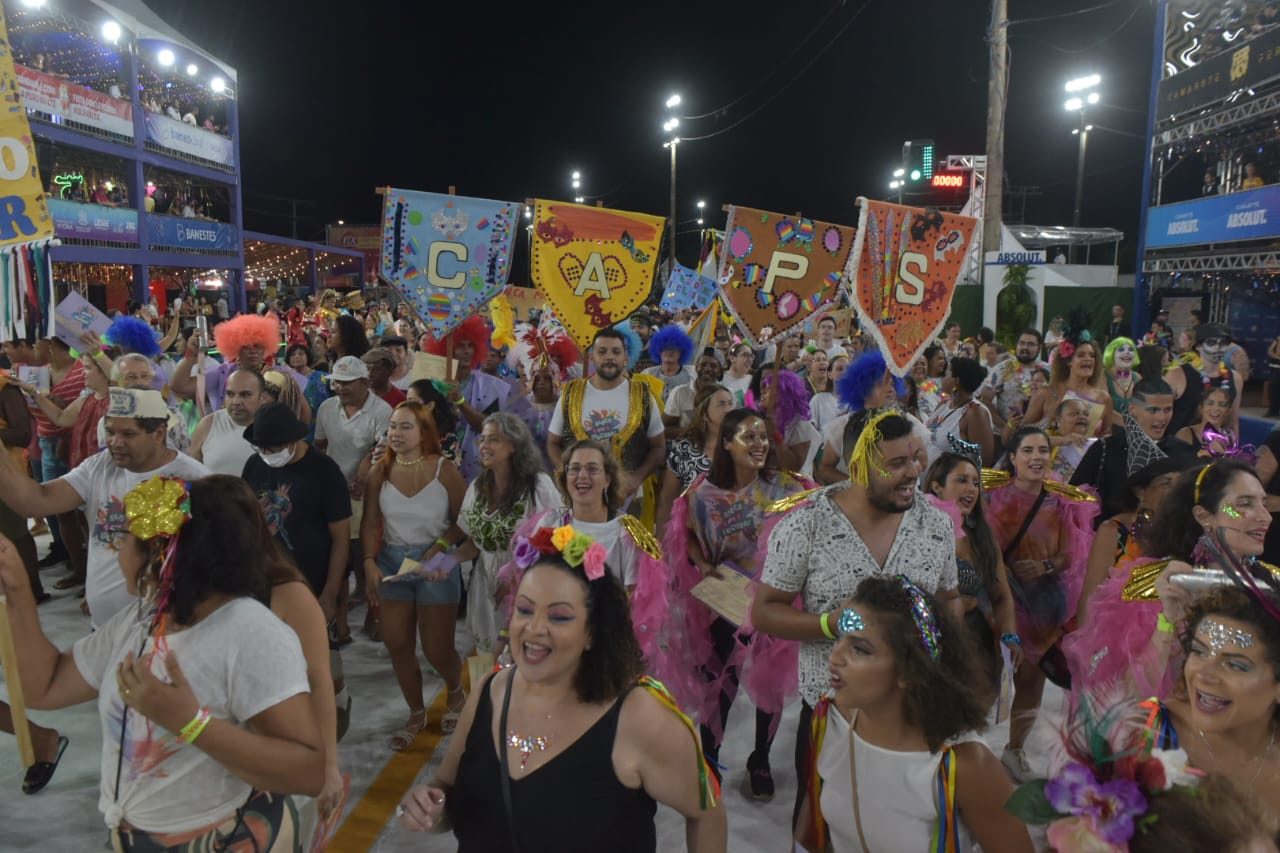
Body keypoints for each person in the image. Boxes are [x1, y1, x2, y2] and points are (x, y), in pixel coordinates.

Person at [0, 474, 324, 848]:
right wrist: (19, 591)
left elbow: (307, 771)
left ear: (160, 554)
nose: (114, 551)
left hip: (214, 837)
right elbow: (46, 686)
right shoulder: (141, 622)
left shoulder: (250, 634)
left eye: (123, 541)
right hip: (134, 834)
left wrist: (190, 724)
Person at [395, 530, 728, 851]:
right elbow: (448, 793)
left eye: (559, 617)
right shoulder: (490, 691)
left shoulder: (639, 717)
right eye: (525, 610)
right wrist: (429, 808)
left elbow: (706, 813)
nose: (535, 628)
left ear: (592, 633)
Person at [753, 410, 961, 823]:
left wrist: (939, 646)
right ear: (859, 465)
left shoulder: (934, 523)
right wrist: (832, 624)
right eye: (896, 463)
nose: (913, 473)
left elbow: (949, 596)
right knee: (822, 826)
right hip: (832, 718)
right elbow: (764, 611)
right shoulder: (807, 524)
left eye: (915, 458)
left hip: (911, 716)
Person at [797, 577, 1032, 853]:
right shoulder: (830, 719)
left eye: (859, 649)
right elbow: (811, 826)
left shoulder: (964, 766)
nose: (835, 657)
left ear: (910, 671)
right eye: (841, 638)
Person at [661, 408, 813, 799]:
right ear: (726, 444)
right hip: (724, 600)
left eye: (764, 436)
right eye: (749, 436)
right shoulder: (701, 493)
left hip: (771, 600)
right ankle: (708, 759)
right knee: (718, 681)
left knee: (769, 683)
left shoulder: (786, 488)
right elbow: (685, 535)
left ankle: (760, 757)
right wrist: (704, 563)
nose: (760, 444)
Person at [0, 388, 209, 624]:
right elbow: (35, 501)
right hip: (103, 627)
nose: (115, 443)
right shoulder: (100, 466)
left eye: (128, 434)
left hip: (161, 633)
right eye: (110, 432)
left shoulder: (195, 480)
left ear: (159, 433)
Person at [984, 426, 1099, 781]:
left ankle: (1014, 749)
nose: (1037, 457)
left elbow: (1071, 555)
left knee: (1031, 683)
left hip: (1043, 607)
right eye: (1029, 450)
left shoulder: (1061, 502)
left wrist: (1045, 565)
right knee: (987, 678)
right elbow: (984, 548)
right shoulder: (993, 498)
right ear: (1013, 458)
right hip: (999, 602)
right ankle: (963, 747)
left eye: (1043, 450)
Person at [361, 400, 467, 745]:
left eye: (406, 427)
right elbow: (370, 523)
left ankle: (455, 691)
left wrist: (437, 551)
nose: (396, 433)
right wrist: (368, 562)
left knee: (437, 649)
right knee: (397, 643)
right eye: (392, 426)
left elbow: (461, 524)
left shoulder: (444, 470)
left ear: (424, 433)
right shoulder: (379, 472)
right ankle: (416, 713)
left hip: (435, 565)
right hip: (393, 564)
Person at [1062, 453, 1192, 696]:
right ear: (1140, 491)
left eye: (1181, 484)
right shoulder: (1114, 531)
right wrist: (1086, 655)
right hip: (1114, 651)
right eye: (1166, 483)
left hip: (1166, 648)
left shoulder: (1187, 537)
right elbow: (1091, 597)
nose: (1175, 491)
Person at [453, 413, 560, 653]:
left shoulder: (538, 486)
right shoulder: (478, 488)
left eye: (493, 440)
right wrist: (444, 562)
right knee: (487, 654)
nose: (484, 446)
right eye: (482, 440)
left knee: (523, 654)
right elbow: (476, 543)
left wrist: (515, 577)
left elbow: (554, 541)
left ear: (513, 446)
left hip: (529, 586)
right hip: (484, 582)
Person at [923, 452, 1021, 697]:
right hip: (928, 644)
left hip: (974, 645)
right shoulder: (918, 531)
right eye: (962, 480)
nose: (971, 489)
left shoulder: (982, 537)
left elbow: (1001, 595)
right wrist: (962, 602)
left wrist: (1010, 636)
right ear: (937, 486)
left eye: (976, 483)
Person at [547, 327, 665, 519]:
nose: (609, 357)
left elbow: (658, 446)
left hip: (629, 503)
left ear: (625, 357)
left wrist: (636, 479)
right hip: (579, 501)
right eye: (602, 352)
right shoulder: (571, 392)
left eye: (616, 352)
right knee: (580, 549)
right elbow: (553, 442)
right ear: (592, 357)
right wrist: (569, 476)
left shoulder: (642, 394)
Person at [315, 354, 393, 640]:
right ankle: (344, 614)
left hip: (367, 490)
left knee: (367, 552)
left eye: (348, 383)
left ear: (364, 383)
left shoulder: (382, 411)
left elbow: (383, 451)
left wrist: (365, 472)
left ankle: (375, 612)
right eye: (337, 382)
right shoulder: (326, 408)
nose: (341, 388)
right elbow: (320, 446)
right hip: (334, 489)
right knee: (339, 553)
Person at [1071, 379, 1197, 520]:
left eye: (1167, 410)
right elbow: (1072, 497)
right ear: (1132, 409)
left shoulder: (1184, 453)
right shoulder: (1104, 449)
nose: (1161, 417)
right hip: (1110, 538)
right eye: (1153, 410)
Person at [656, 384, 732, 539]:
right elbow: (667, 499)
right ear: (704, 413)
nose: (728, 409)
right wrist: (661, 547)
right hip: (692, 538)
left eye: (730, 403)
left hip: (733, 535)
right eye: (721, 404)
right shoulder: (685, 449)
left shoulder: (740, 448)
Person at [1023, 333, 1113, 439]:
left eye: (1092, 355)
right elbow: (1023, 431)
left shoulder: (1103, 398)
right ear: (1068, 361)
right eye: (1081, 355)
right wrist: (1047, 421)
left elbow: (1107, 431)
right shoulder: (1046, 392)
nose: (1088, 359)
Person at [1166, 323, 1244, 435]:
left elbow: (1232, 423)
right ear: (1198, 346)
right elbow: (1160, 416)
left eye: (1223, 343)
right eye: (1211, 343)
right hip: (1179, 447)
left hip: (1215, 447)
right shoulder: (1177, 375)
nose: (1218, 348)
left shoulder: (1235, 378)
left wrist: (1233, 449)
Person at [188, 369, 266, 476]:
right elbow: (192, 473)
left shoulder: (275, 427)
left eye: (245, 394)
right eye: (230, 394)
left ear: (262, 398)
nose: (236, 401)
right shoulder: (207, 425)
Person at [924, 356, 993, 468]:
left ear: (956, 381)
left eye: (947, 374)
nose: (943, 378)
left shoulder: (975, 412)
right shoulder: (943, 405)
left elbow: (984, 460)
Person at [979, 329, 1047, 436]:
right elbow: (984, 399)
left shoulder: (1049, 370)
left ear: (1039, 347)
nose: (1025, 347)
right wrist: (1004, 427)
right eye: (1022, 343)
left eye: (1031, 344)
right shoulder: (1003, 368)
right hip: (1008, 435)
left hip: (1040, 435)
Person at [759, 369, 820, 478]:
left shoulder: (800, 425)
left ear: (784, 394)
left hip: (793, 488)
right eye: (764, 388)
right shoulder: (761, 419)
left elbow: (792, 468)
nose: (762, 392)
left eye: (768, 389)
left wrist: (775, 434)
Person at [664, 348, 724, 435]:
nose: (707, 369)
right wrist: (692, 432)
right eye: (703, 364)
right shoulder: (679, 393)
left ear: (720, 371)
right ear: (696, 367)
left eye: (713, 366)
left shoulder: (728, 396)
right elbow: (664, 429)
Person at [1175, 380, 1235, 452]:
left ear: (1228, 411)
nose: (1216, 408)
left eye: (1222, 405)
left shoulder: (1230, 436)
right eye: (1210, 403)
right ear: (1201, 408)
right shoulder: (1185, 434)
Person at [642, 325, 695, 402]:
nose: (669, 351)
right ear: (658, 351)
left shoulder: (691, 375)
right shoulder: (647, 374)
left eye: (674, 348)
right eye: (665, 348)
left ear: (682, 352)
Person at [1103, 336, 1141, 426]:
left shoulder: (1138, 377)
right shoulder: (1103, 375)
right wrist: (1129, 425)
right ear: (1111, 354)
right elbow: (1102, 408)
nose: (1127, 352)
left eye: (1131, 350)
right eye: (1121, 350)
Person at [916, 344, 948, 422]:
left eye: (944, 359)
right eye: (940, 358)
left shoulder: (943, 383)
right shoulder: (917, 384)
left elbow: (946, 401)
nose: (943, 361)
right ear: (929, 361)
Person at [721, 342, 755, 407]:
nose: (750, 360)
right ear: (732, 358)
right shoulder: (720, 378)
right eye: (745, 355)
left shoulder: (752, 380)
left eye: (751, 356)